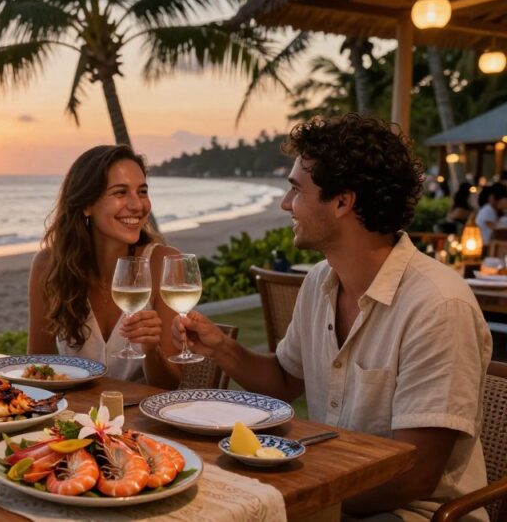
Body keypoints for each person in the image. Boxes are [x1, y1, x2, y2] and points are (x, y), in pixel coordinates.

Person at [173, 114, 492, 520]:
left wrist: (299, 503)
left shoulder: (438, 306)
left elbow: (417, 477)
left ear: (343, 201)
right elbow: (286, 382)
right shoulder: (320, 282)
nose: (285, 203)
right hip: (336, 490)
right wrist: (221, 348)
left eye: (295, 190)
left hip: (414, 512)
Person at [28, 145, 182, 388]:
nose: (137, 205)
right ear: (87, 204)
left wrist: (151, 350)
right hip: (71, 419)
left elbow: (170, 385)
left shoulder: (163, 264)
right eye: (121, 193)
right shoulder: (48, 266)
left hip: (138, 420)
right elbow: (35, 369)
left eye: (142, 192)